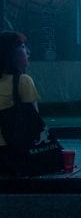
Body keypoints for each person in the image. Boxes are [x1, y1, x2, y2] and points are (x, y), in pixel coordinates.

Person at [0, 31, 41, 174]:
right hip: (12, 153)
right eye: (23, 47)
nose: (27, 52)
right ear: (10, 54)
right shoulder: (23, 81)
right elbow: (35, 120)